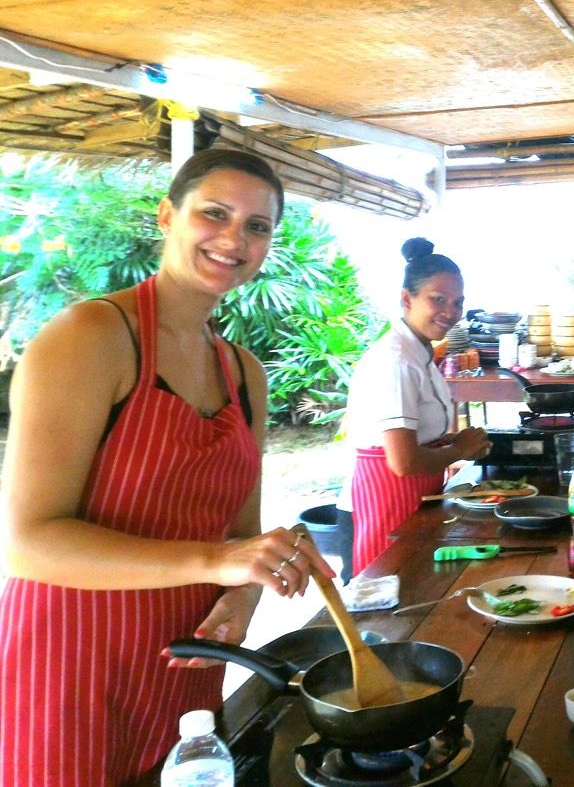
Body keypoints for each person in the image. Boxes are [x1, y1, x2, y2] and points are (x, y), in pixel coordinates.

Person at [0, 148, 334, 785]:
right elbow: (26, 543)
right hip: (73, 664)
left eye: (257, 226)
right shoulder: (91, 337)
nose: (234, 238)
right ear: (167, 216)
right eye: (215, 213)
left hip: (190, 662)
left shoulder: (244, 373)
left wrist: (240, 595)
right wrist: (217, 562)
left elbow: (240, 530)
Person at [340, 238, 491, 574]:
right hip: (387, 501)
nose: (450, 312)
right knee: (391, 597)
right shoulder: (396, 361)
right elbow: (404, 461)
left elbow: (415, 435)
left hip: (413, 496)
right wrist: (459, 450)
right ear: (407, 299)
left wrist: (452, 441)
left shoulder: (419, 352)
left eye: (457, 302)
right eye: (438, 300)